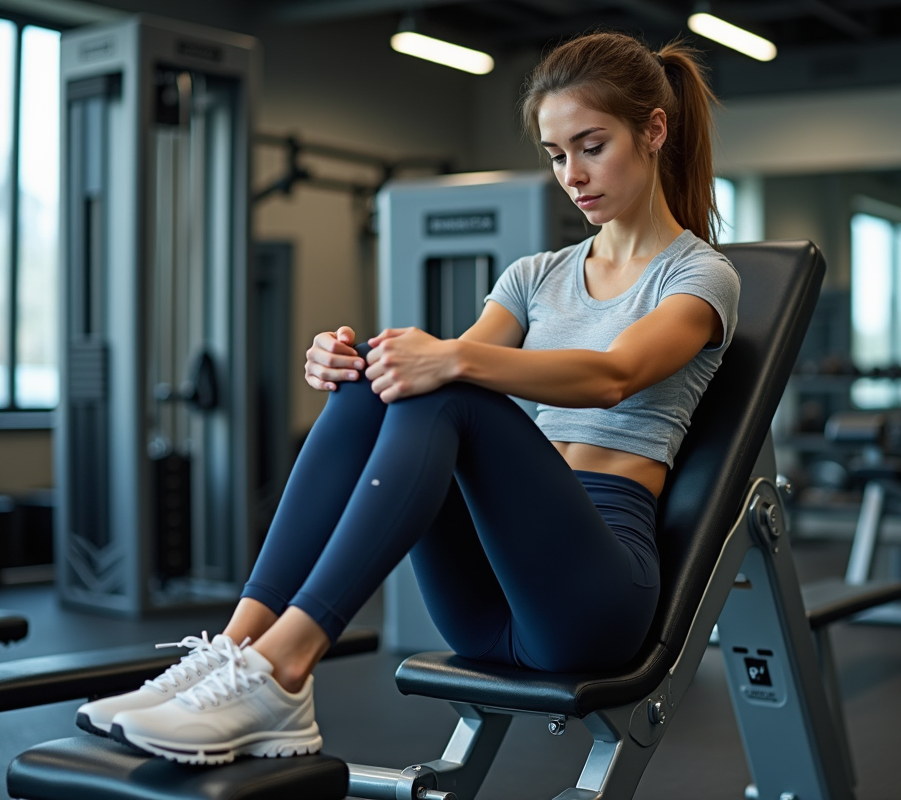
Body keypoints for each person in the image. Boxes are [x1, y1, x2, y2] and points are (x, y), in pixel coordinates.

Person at [76, 30, 741, 765]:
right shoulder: (535, 275)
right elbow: (438, 374)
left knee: (443, 382)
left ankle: (287, 669)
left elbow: (616, 374)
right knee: (387, 382)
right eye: (556, 155)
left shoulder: (700, 277)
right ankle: (234, 650)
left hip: (592, 599)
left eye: (591, 145)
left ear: (653, 130)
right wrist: (353, 365)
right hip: (488, 600)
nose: (572, 175)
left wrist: (441, 358)